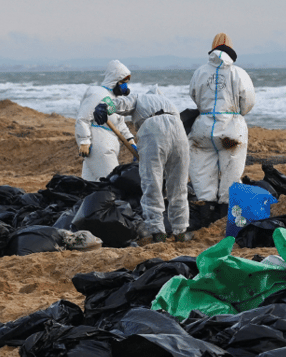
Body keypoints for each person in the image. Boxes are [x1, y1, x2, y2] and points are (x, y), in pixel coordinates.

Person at [94, 88, 191, 243]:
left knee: (152, 183)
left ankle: (158, 232)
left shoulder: (140, 98)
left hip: (153, 129)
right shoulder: (169, 103)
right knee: (179, 185)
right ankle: (181, 231)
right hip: (179, 131)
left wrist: (104, 106)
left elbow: (119, 103)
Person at [188, 33, 256, 205]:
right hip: (231, 129)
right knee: (231, 174)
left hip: (203, 128)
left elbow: (193, 95)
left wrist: (206, 110)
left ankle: (206, 207)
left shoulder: (200, 72)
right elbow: (248, 100)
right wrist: (237, 114)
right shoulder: (238, 73)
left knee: (202, 173)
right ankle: (226, 208)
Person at [74, 60, 137, 182]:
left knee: (92, 183)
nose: (125, 86)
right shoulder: (97, 93)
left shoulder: (115, 100)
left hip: (109, 142)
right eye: (122, 82)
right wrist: (84, 141)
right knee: (112, 181)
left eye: (126, 83)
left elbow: (120, 124)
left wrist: (131, 142)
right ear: (114, 80)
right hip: (99, 144)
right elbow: (83, 118)